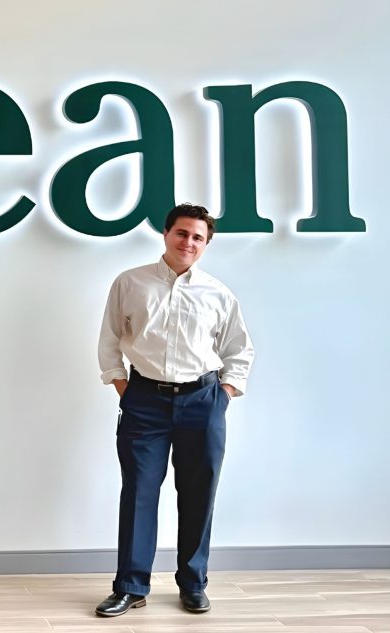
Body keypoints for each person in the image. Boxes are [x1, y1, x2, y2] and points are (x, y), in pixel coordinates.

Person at [94, 203, 254, 617]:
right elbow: (110, 340)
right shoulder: (131, 283)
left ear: (206, 245)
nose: (189, 242)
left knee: (199, 494)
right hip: (144, 400)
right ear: (166, 234)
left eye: (198, 237)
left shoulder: (219, 294)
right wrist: (124, 387)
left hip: (203, 401)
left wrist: (225, 393)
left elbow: (239, 350)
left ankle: (193, 584)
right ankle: (130, 586)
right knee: (139, 492)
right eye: (182, 233)